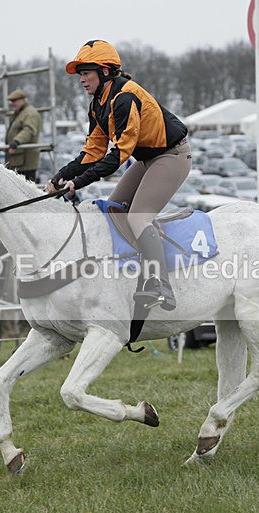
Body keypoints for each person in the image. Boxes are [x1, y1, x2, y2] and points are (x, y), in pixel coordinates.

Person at [44, 40, 190, 311]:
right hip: (148, 159)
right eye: (80, 74)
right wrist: (61, 175)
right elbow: (93, 152)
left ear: (106, 72)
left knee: (137, 216)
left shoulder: (124, 98)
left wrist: (79, 182)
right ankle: (132, 273)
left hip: (172, 156)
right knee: (113, 209)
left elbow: (118, 155)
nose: (82, 79)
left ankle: (161, 285)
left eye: (86, 72)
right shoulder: (97, 104)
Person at [4, 89, 42, 182]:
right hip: (19, 160)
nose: (12, 103)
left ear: (24, 100)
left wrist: (16, 141)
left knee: (26, 191)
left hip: (25, 162)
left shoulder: (29, 113)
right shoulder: (21, 113)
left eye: (15, 101)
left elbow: (29, 130)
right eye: (11, 101)